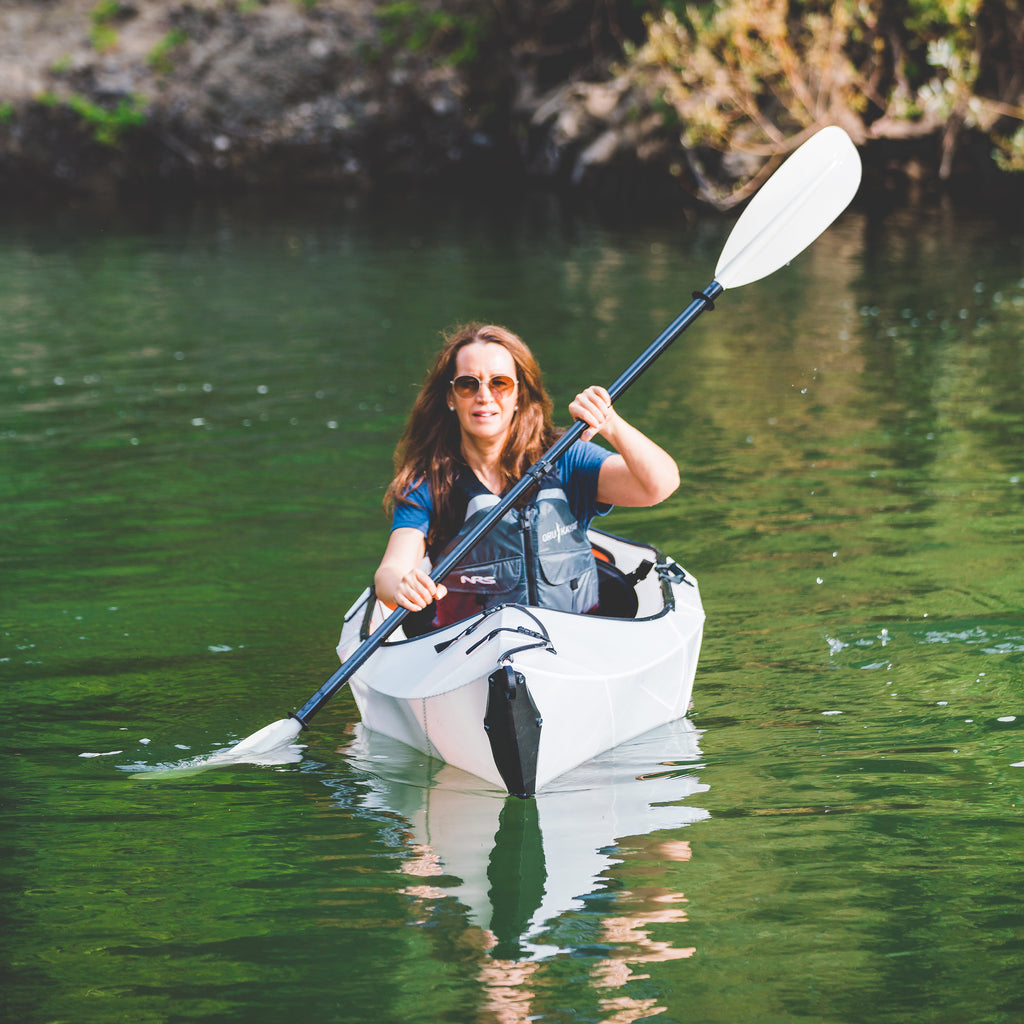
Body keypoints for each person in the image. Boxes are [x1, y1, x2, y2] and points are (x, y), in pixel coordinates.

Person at [373, 322, 679, 625]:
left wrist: (610, 424)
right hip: (472, 650)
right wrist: (402, 586)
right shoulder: (429, 482)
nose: (484, 396)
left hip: (578, 637)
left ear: (519, 394)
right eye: (468, 384)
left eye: (500, 383)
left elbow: (660, 485)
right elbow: (390, 571)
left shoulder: (565, 457)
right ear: (450, 397)